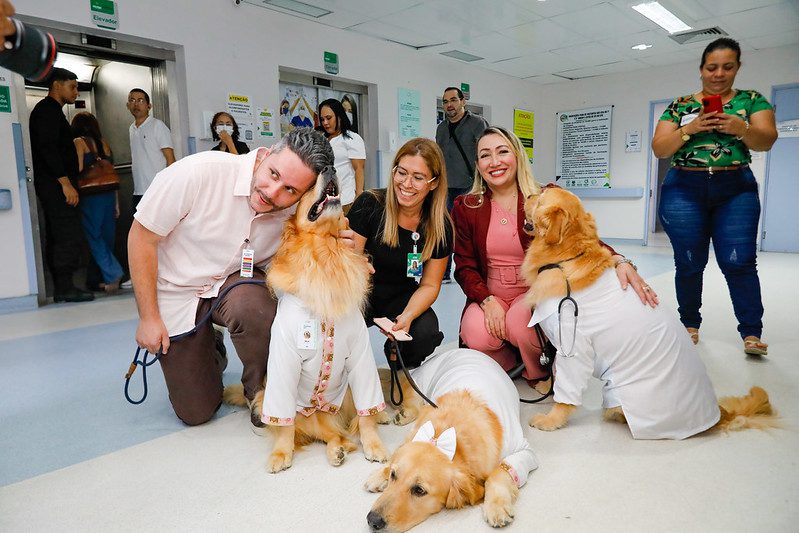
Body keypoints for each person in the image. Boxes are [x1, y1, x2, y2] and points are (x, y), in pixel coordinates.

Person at [128, 128, 334, 427]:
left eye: (290, 190)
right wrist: (149, 318)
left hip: (233, 286)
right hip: (176, 290)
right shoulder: (198, 173)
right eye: (273, 174)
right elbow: (141, 239)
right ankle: (210, 344)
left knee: (255, 306)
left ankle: (261, 392)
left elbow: (316, 247)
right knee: (195, 412)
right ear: (264, 155)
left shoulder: (293, 212)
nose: (272, 193)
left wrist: (348, 247)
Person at [454, 127, 657, 380]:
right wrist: (486, 300)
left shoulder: (545, 195)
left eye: (502, 151)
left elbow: (579, 234)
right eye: (485, 155)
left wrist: (618, 259)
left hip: (535, 289)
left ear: (517, 155)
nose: (494, 162)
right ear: (478, 164)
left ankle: (539, 372)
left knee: (520, 323)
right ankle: (507, 367)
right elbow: (464, 266)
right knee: (475, 332)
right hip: (491, 291)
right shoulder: (467, 207)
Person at [652, 37, 777, 357]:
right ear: (701, 69)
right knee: (690, 261)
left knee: (740, 262)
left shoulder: (752, 100)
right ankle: (689, 324)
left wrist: (740, 127)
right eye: (712, 67)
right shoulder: (680, 105)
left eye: (727, 67)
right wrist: (689, 129)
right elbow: (660, 148)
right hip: (684, 188)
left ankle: (751, 332)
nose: (719, 74)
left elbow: (766, 140)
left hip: (735, 189)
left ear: (737, 68)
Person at [348, 138, 453, 369]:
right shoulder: (369, 204)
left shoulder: (439, 226)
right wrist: (358, 263)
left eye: (418, 178)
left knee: (424, 332)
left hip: (400, 296)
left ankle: (399, 359)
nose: (406, 184)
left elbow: (430, 285)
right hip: (359, 292)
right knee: (337, 329)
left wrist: (408, 316)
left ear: (433, 183)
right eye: (401, 173)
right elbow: (347, 260)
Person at [29, 67, 94, 303]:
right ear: (57, 85)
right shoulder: (46, 111)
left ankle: (64, 286)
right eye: (72, 86)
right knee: (64, 233)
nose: (76, 92)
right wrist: (65, 183)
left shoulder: (55, 112)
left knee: (63, 233)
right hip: (55, 185)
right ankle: (64, 287)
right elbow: (47, 149)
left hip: (58, 184)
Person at [435, 86, 488, 282]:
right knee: (446, 229)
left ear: (462, 101)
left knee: (472, 231)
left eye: (453, 100)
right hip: (447, 188)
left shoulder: (477, 123)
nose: (449, 105)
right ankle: (445, 272)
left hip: (471, 185)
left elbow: (484, 153)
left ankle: (478, 271)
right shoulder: (441, 128)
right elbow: (438, 157)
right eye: (445, 101)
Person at [72, 111, 124, 294]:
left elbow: (77, 168)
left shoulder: (79, 142)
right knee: (106, 237)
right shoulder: (105, 144)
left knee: (93, 236)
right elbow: (111, 173)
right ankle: (96, 279)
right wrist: (116, 203)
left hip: (90, 196)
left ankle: (113, 273)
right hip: (109, 195)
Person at [127, 88, 175, 209]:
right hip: (139, 190)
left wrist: (169, 187)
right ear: (127, 105)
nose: (136, 104)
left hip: (157, 190)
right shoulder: (132, 128)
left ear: (149, 106)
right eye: (132, 100)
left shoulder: (157, 125)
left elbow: (170, 159)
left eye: (140, 100)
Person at [317, 98, 365, 213]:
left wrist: (359, 197)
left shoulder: (351, 138)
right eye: (322, 119)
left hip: (346, 201)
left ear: (339, 116)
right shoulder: (322, 140)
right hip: (325, 202)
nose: (325, 123)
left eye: (329, 118)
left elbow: (359, 169)